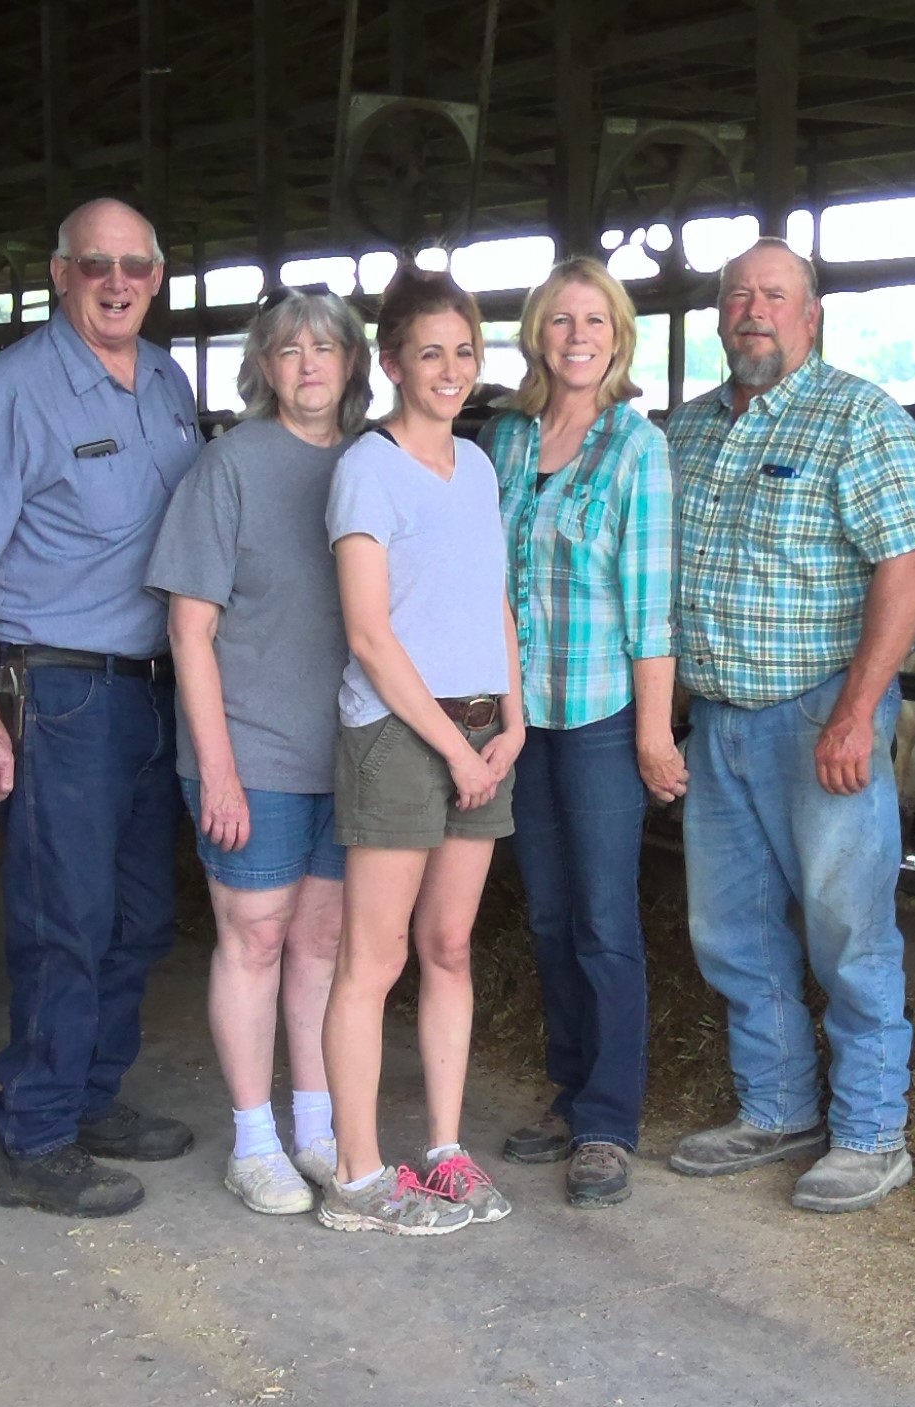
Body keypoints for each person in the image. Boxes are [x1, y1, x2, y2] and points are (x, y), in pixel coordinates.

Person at [664, 237, 915, 1214]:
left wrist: (858, 711)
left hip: (819, 719)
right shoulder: (687, 429)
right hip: (719, 722)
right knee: (731, 931)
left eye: (774, 295)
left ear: (811, 313)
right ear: (717, 316)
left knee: (846, 928)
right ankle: (777, 1106)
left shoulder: (860, 418)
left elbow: (908, 565)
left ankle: (872, 1131)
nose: (755, 310)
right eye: (738, 295)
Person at [0, 198, 201, 1218]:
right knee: (67, 917)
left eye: (135, 263)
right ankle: (32, 1132)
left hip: (151, 687)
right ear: (61, 271)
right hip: (57, 688)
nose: (117, 279)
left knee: (139, 915)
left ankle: (93, 1096)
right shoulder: (14, 390)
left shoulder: (172, 382)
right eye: (96, 263)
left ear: (159, 273)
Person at [144, 288, 372, 1215]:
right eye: (289, 350)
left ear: (353, 362)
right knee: (256, 937)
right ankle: (253, 1138)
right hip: (255, 751)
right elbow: (188, 629)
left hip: (352, 752)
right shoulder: (228, 466)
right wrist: (220, 771)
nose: (309, 364)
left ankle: (316, 1126)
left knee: (322, 940)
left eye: (325, 348)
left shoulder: (373, 463)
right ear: (264, 368)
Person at [316, 267, 525, 1237]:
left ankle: (442, 1149)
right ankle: (358, 1168)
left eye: (464, 352)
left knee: (448, 946)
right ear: (392, 361)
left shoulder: (477, 466)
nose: (449, 369)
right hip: (401, 732)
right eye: (429, 352)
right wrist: (455, 746)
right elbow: (368, 633)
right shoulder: (368, 466)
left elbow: (492, 597)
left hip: (483, 729)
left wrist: (512, 717)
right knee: (375, 954)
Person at [479, 258, 680, 1209]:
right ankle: (568, 1087)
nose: (577, 335)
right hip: (526, 719)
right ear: (536, 334)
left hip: (599, 714)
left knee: (605, 919)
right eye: (560, 319)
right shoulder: (509, 440)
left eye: (594, 319)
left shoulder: (636, 448)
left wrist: (653, 733)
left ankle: (608, 1118)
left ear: (619, 334)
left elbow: (651, 611)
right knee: (549, 912)